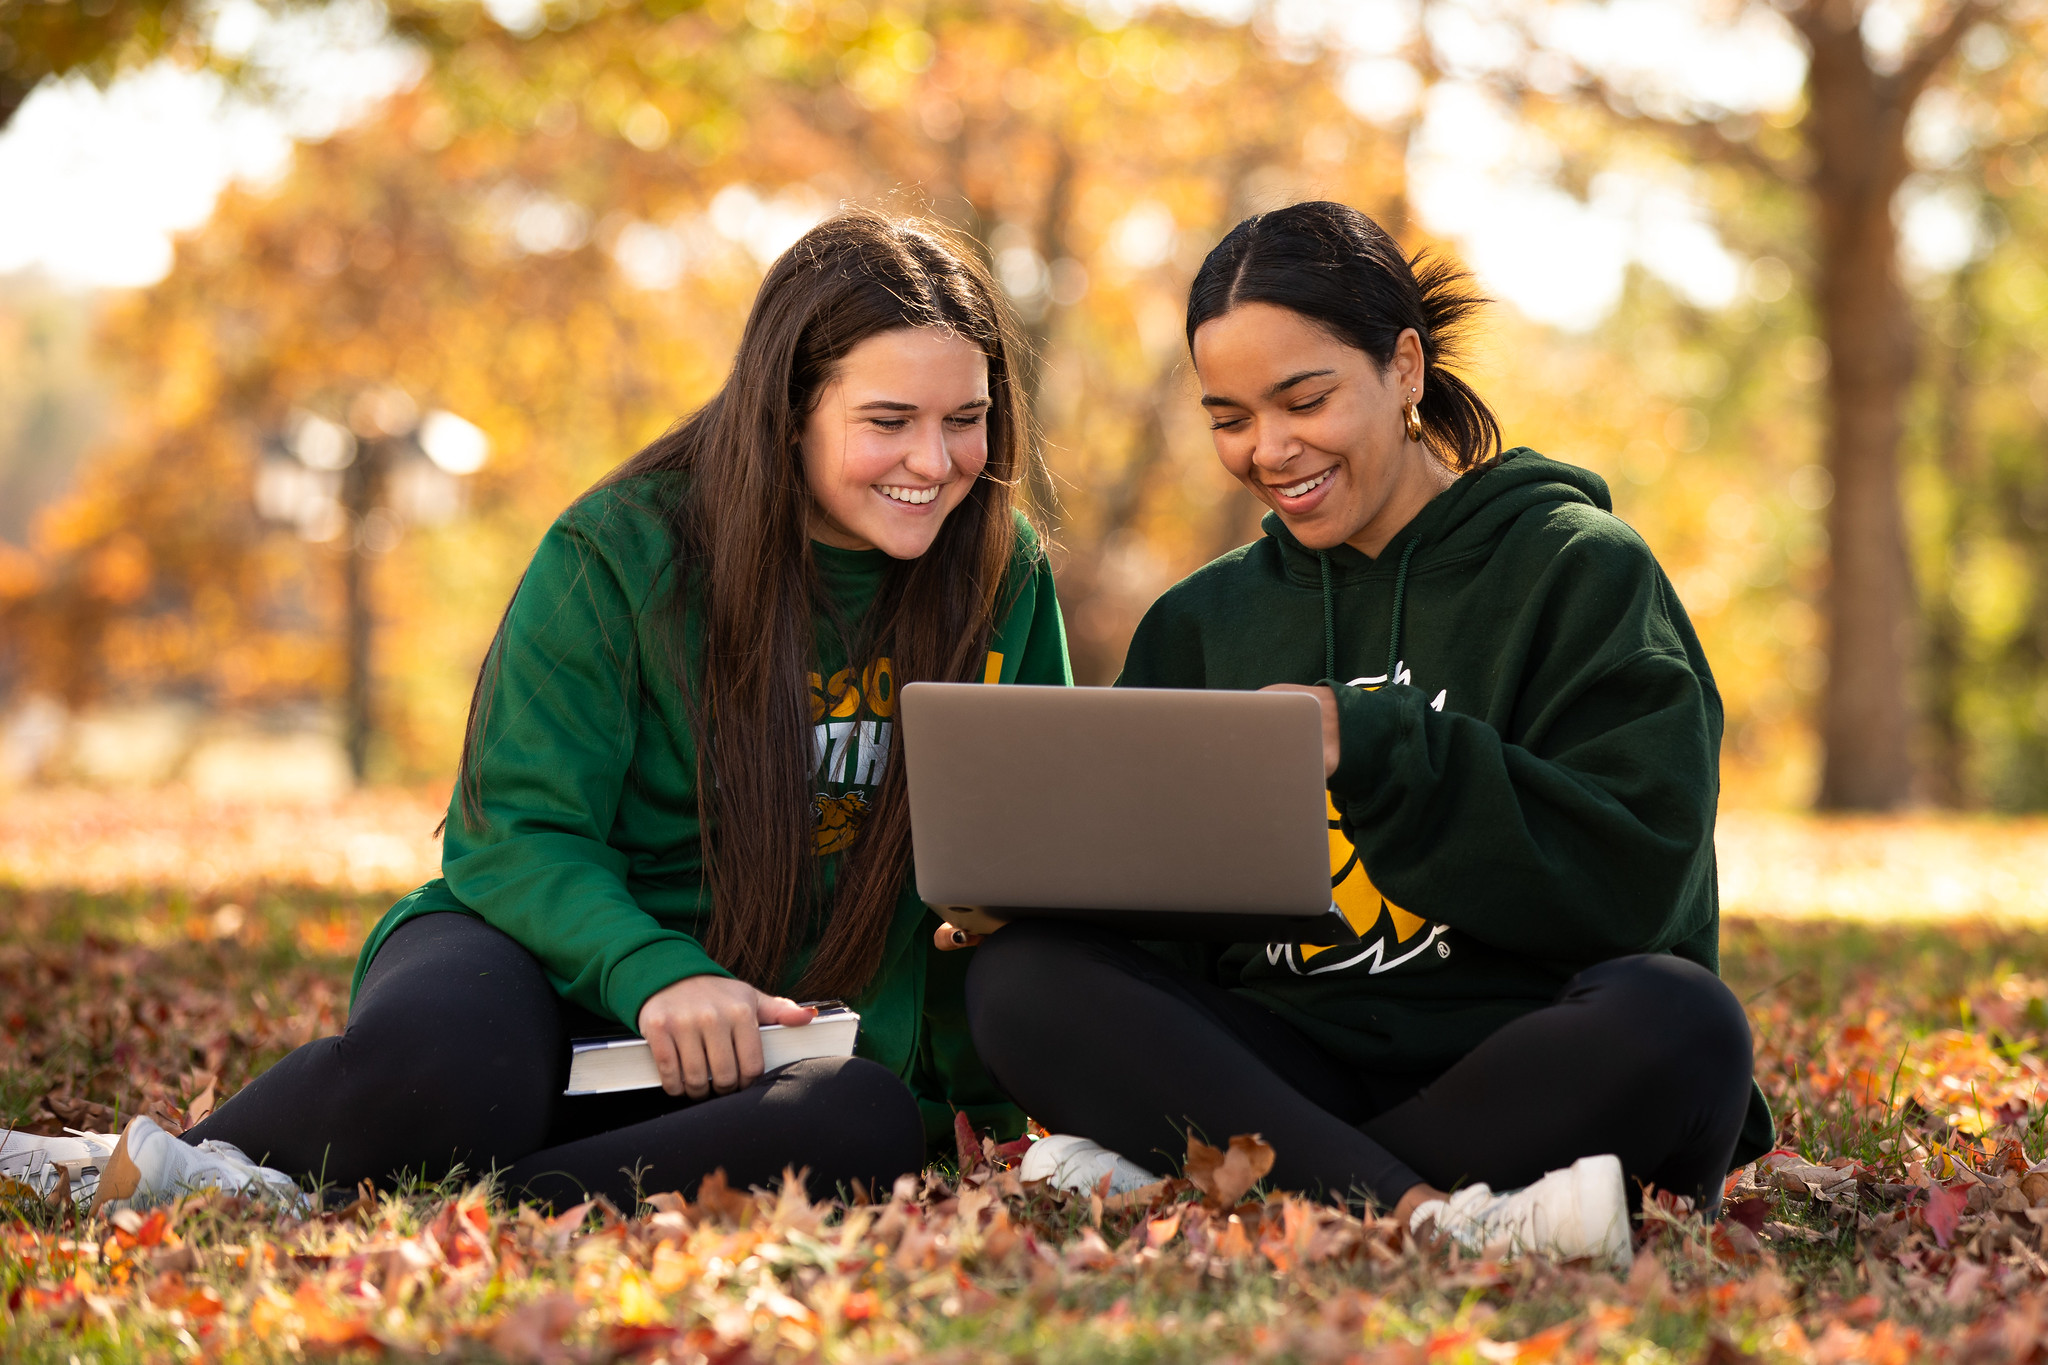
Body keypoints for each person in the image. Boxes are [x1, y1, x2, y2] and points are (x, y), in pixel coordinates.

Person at [10, 210, 1068, 1215]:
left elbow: (1009, 865)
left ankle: (456, 1203)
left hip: (763, 1049)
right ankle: (144, 1171)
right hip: (531, 967)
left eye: (964, 421)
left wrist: (984, 1105)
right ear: (787, 409)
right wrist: (659, 975)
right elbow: (515, 833)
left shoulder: (995, 570)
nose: (934, 464)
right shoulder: (622, 550)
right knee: (460, 1069)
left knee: (860, 1125)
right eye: (887, 422)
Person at [954, 201, 1767, 1265]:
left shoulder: (1576, 568)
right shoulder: (1201, 625)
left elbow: (1639, 884)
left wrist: (1373, 743)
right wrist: (1027, 900)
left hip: (1519, 1058)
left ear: (1403, 368)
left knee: (1685, 1023)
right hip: (1291, 1063)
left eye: (1304, 400)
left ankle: (1266, 1189)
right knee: (1021, 982)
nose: (1268, 449)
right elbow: (1165, 945)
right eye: (1229, 417)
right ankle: (1436, 1219)